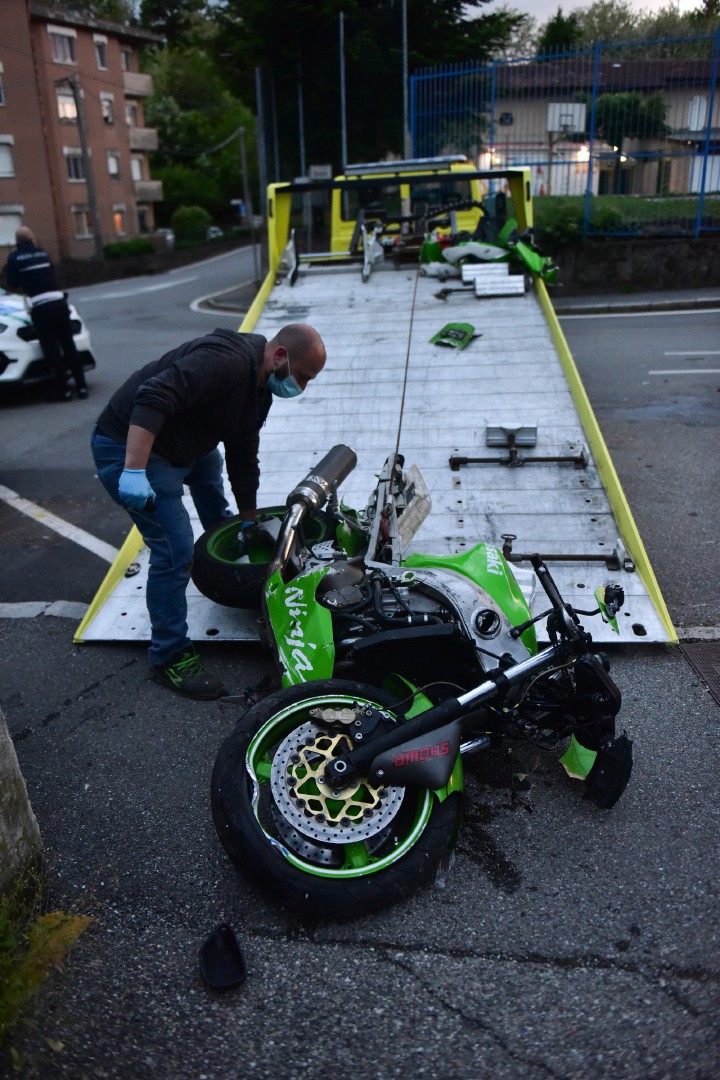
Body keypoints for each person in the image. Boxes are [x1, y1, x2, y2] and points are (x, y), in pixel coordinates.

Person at [90, 323, 327, 700]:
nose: (302, 386)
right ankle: (168, 656)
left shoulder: (259, 391)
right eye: (302, 376)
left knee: (210, 474)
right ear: (280, 356)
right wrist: (133, 469)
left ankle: (219, 565)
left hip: (184, 442)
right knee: (174, 550)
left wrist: (250, 522)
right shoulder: (225, 361)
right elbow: (152, 398)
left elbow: (243, 458)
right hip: (132, 444)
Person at [3, 226, 89, 401]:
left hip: (41, 307)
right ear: (32, 238)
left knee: (52, 350)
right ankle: (81, 387)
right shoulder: (43, 254)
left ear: (17, 242)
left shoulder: (16, 258)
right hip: (59, 303)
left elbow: (11, 281)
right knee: (68, 345)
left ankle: (63, 391)